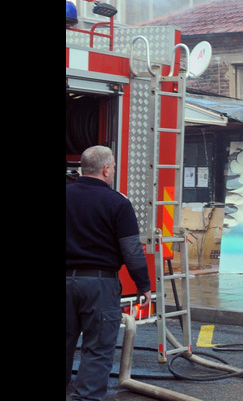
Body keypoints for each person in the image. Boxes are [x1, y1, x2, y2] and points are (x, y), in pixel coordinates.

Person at [67, 145, 152, 401]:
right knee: (97, 350)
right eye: (113, 167)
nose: (113, 171)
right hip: (99, 285)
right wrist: (143, 285)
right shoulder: (118, 203)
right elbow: (132, 250)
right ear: (106, 169)